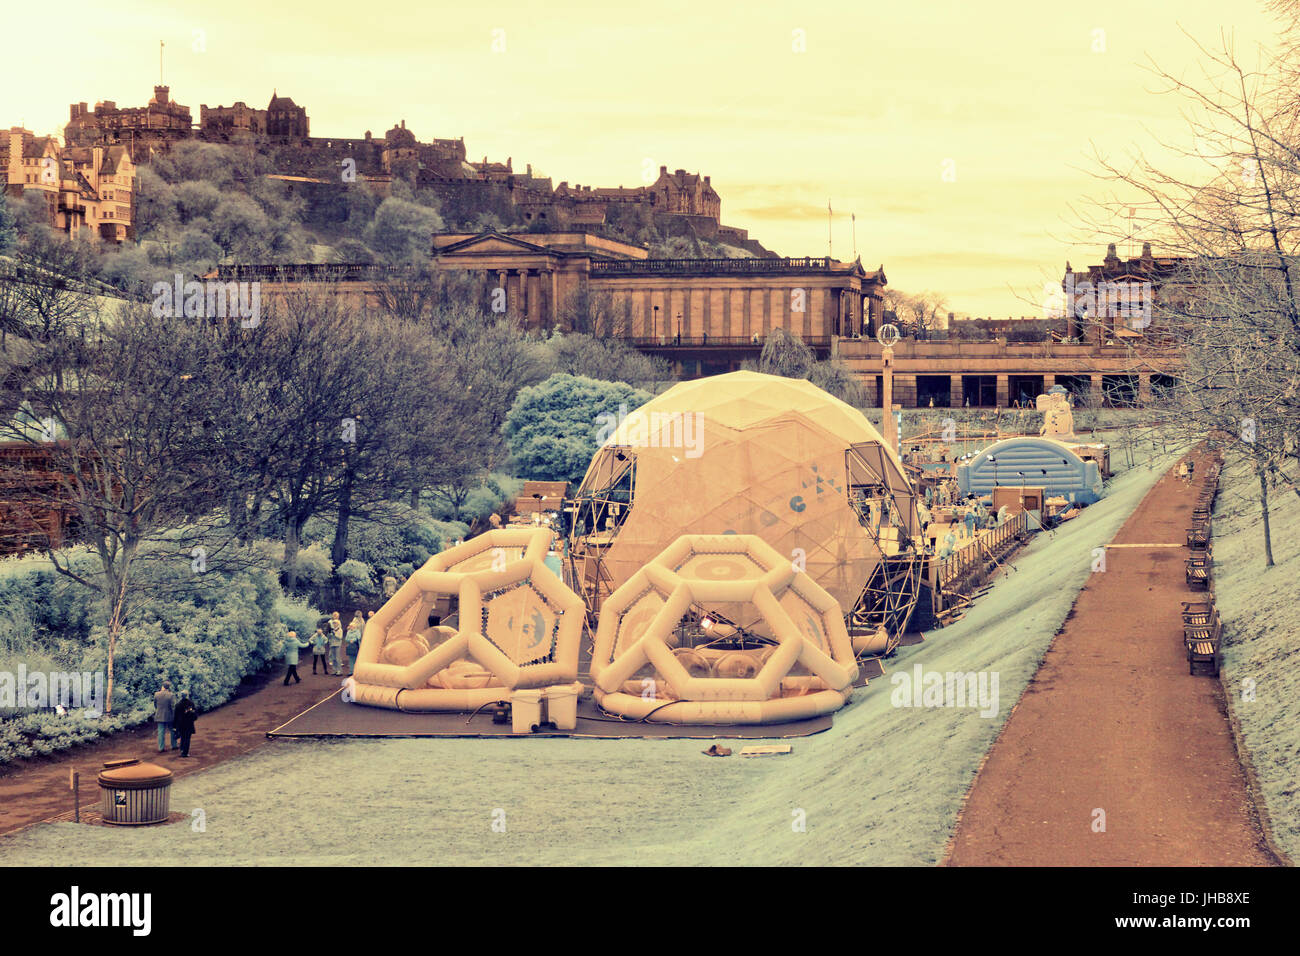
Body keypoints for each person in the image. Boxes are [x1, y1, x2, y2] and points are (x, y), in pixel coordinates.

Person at [153, 680, 177, 753]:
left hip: (159, 715)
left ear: (162, 686)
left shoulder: (156, 694)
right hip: (169, 716)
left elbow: (155, 704)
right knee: (172, 731)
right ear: (168, 687)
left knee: (161, 732)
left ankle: (161, 747)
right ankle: (174, 745)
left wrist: (158, 710)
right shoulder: (171, 695)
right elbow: (173, 706)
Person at [174, 693, 197, 758]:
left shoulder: (178, 705)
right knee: (187, 738)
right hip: (189, 724)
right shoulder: (191, 704)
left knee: (182, 737)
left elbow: (175, 716)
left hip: (181, 724)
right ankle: (185, 752)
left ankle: (182, 749)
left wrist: (175, 726)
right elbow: (194, 715)